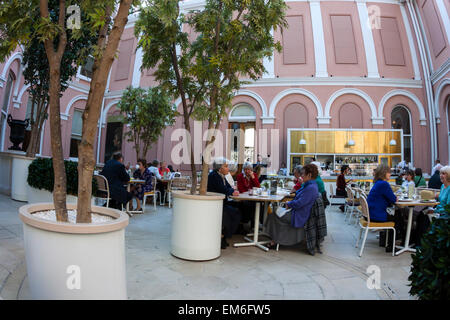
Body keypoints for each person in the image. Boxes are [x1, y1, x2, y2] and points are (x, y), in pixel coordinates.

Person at [265, 164, 320, 250]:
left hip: (298, 215)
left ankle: (276, 240)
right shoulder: (310, 185)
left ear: (309, 175)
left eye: (303, 174)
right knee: (274, 213)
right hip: (298, 212)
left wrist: (289, 203)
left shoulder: (310, 188)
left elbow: (300, 203)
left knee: (273, 214)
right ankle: (275, 238)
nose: (301, 176)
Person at [207, 157, 242, 249]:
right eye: (226, 166)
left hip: (221, 203)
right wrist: (232, 191)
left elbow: (228, 187)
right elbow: (222, 189)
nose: (228, 168)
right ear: (220, 168)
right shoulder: (214, 176)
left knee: (237, 211)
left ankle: (223, 235)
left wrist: (231, 191)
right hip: (215, 205)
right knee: (232, 214)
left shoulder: (221, 175)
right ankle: (222, 236)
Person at [366, 164, 401, 252]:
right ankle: (391, 245)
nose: (390, 174)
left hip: (370, 214)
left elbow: (388, 199)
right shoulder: (384, 184)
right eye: (389, 172)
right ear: (384, 173)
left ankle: (387, 242)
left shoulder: (378, 183)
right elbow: (393, 199)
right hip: (375, 215)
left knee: (397, 216)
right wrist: (395, 198)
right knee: (398, 218)